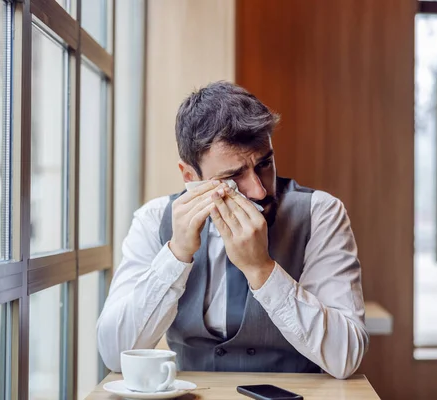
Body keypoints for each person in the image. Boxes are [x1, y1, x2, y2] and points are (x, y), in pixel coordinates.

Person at [97, 81, 368, 379]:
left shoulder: (320, 213)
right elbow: (115, 354)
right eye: (233, 176)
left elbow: (347, 357)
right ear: (190, 176)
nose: (259, 190)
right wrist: (175, 256)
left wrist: (261, 270)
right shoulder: (153, 219)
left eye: (265, 164)